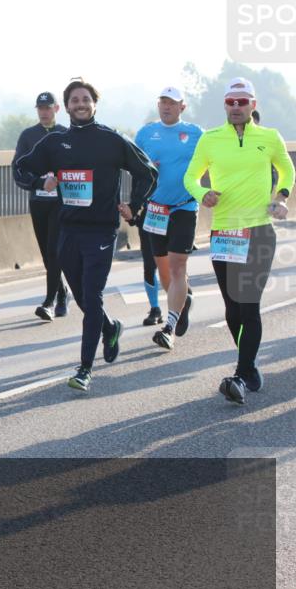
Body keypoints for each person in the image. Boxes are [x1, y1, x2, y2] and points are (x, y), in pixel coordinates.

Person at [15, 79, 156, 392]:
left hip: (102, 231)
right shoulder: (55, 143)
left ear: (95, 104)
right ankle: (109, 327)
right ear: (66, 107)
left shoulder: (111, 141)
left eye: (85, 99)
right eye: (74, 100)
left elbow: (147, 172)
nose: (80, 104)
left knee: (92, 296)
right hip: (68, 230)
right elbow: (20, 169)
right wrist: (41, 182)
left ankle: (84, 369)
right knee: (82, 298)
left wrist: (134, 206)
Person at [182, 77, 294, 404]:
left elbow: (288, 172)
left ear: (253, 105)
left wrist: (281, 195)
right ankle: (249, 367)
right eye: (230, 102)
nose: (235, 107)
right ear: (225, 105)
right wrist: (203, 193)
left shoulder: (270, 138)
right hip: (225, 233)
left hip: (259, 230)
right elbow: (191, 176)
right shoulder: (210, 139)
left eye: (242, 102)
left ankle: (241, 374)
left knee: (249, 304)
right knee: (232, 308)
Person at [133, 87, 202, 350]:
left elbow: (212, 160)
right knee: (164, 273)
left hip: (184, 207)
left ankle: (169, 327)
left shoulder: (196, 133)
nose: (166, 107)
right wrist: (133, 203)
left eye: (172, 103)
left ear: (182, 107)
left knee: (177, 267)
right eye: (162, 102)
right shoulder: (146, 133)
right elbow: (132, 166)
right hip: (155, 210)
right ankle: (184, 301)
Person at [13, 92, 69, 321]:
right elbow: (17, 169)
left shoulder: (66, 134)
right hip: (38, 202)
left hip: (60, 203)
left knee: (55, 251)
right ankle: (63, 292)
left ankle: (49, 301)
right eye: (40, 108)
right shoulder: (28, 136)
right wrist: (37, 182)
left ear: (56, 109)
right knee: (47, 255)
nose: (44, 112)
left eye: (48, 108)